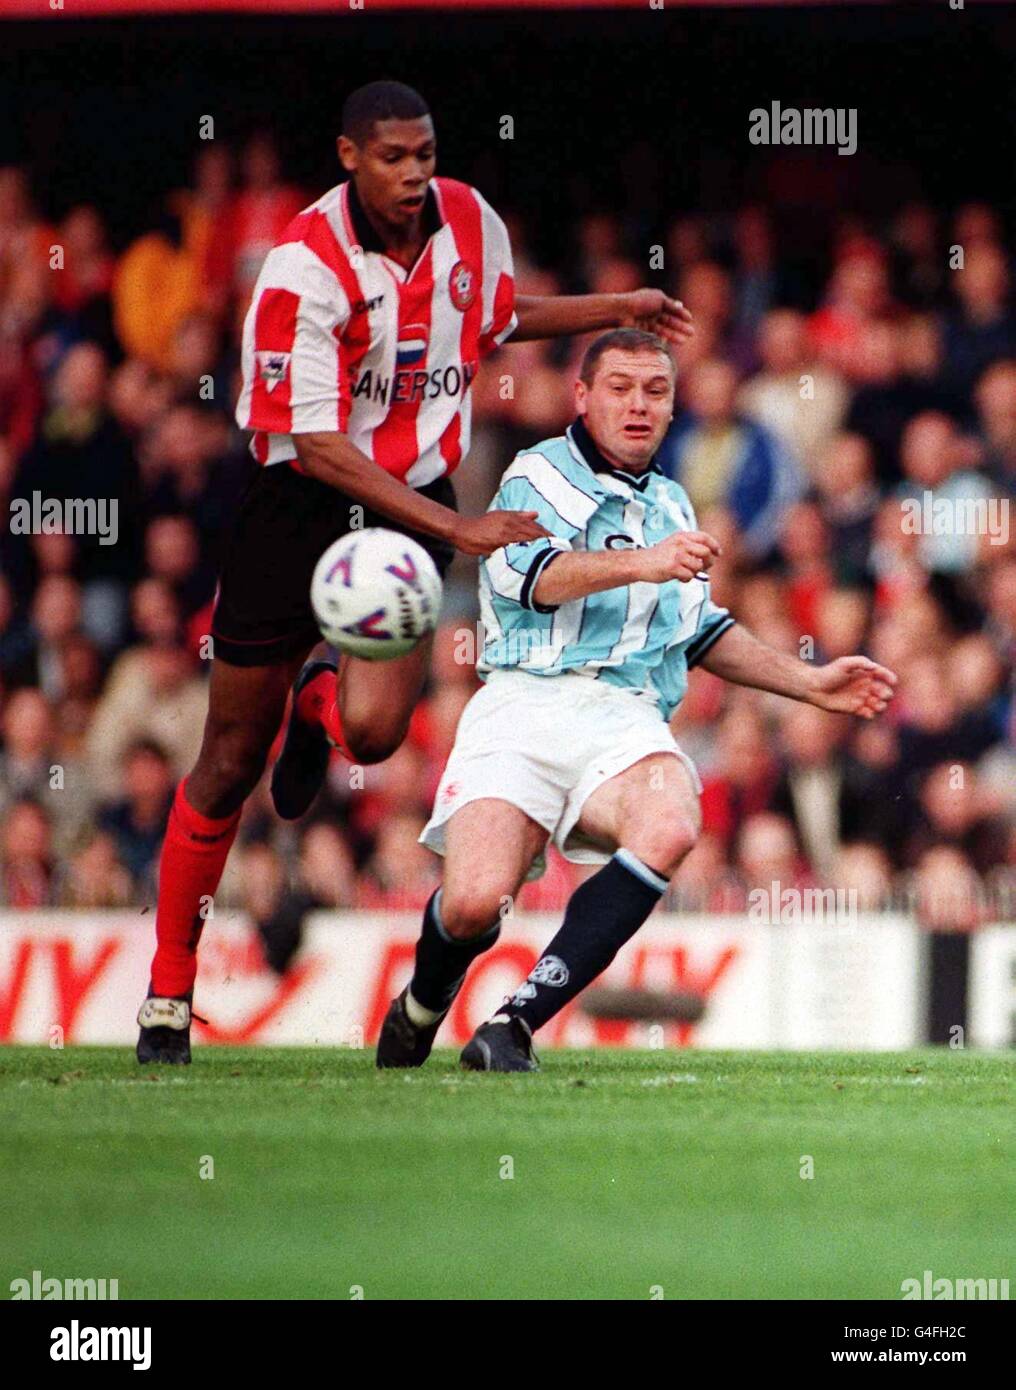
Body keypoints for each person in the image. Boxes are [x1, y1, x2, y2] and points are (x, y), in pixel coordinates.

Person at [137, 81, 694, 1064]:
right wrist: (457, 525)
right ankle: (168, 999)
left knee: (377, 733)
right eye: (392, 156)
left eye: (424, 153)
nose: (413, 173)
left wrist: (617, 306)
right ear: (348, 156)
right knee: (228, 758)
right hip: (299, 502)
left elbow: (493, 314)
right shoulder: (301, 272)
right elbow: (314, 446)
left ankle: (324, 703)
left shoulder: (470, 221)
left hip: (411, 497)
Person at [376, 328, 897, 1071]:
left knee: (671, 818)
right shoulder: (537, 474)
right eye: (619, 387)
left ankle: (513, 1025)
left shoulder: (674, 505)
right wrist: (642, 563)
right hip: (523, 702)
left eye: (655, 390)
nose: (638, 405)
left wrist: (808, 682)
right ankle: (424, 1004)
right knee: (471, 903)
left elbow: (699, 632)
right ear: (583, 397)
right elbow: (533, 579)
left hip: (623, 713)